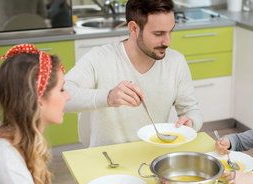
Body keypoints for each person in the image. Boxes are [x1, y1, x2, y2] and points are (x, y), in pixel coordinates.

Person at [0, 44, 153, 184]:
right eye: (61, 89)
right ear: (38, 99)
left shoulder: (6, 133)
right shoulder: (4, 164)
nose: (68, 96)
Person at [64, 0, 202, 147]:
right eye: (158, 33)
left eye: (170, 31)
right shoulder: (99, 58)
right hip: (106, 158)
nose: (168, 42)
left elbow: (190, 109)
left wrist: (191, 122)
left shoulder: (176, 62)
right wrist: (108, 97)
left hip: (153, 155)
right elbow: (61, 96)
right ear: (134, 28)